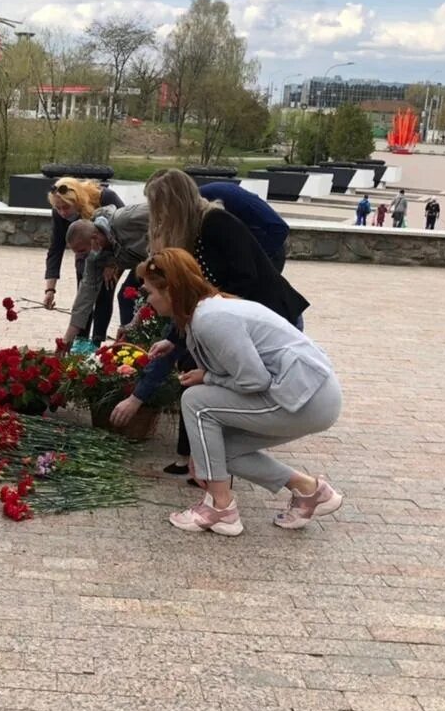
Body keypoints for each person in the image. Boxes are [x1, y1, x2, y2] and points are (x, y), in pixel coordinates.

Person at [110, 170, 309, 479]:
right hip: (233, 321)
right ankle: (202, 466)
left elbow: (240, 282)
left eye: (159, 206)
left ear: (173, 203)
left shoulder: (216, 224)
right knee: (198, 378)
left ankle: (215, 472)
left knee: (223, 389)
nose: (156, 216)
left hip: (267, 319)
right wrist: (176, 338)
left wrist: (201, 323)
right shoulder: (191, 233)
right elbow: (191, 303)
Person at [137, 248, 344, 535]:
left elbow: (253, 381)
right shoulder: (209, 309)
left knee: (196, 400)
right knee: (223, 452)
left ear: (170, 289)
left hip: (306, 397)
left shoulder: (211, 318)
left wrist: (207, 378)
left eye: (148, 290)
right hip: (307, 395)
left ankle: (220, 508)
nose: (146, 298)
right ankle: (310, 490)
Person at [43, 177, 126, 342]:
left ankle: (97, 340)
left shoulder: (106, 197)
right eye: (58, 208)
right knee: (84, 291)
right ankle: (80, 339)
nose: (63, 213)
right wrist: (50, 290)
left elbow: (123, 234)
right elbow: (55, 249)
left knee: (105, 290)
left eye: (66, 207)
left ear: (78, 201)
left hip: (115, 252)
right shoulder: (59, 212)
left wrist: (113, 263)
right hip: (85, 251)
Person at [61, 203, 149, 348]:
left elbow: (160, 213)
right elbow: (85, 296)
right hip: (148, 264)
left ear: (95, 238)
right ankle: (131, 346)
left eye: (83, 251)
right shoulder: (94, 258)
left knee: (146, 294)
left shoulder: (123, 220)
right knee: (127, 297)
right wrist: (66, 340)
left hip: (175, 252)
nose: (83, 257)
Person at [196, 181, 290, 271]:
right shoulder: (192, 205)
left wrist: (252, 257)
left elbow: (279, 228)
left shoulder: (229, 194)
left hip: (266, 250)